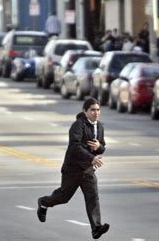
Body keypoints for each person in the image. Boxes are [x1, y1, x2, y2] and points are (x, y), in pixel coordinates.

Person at [37, 98, 110, 240]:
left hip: (88, 170)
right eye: (93, 110)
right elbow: (74, 147)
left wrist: (98, 147)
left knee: (93, 197)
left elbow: (102, 146)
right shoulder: (78, 125)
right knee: (63, 197)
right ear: (85, 111)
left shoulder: (99, 126)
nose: (96, 112)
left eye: (98, 110)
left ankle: (96, 228)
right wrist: (91, 157)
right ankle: (44, 203)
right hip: (73, 169)